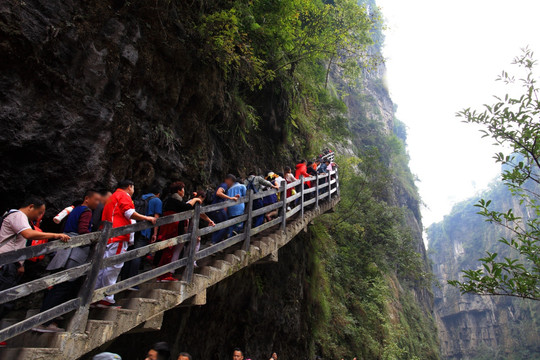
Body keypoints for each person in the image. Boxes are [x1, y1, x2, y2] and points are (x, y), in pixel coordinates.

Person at [34, 190, 102, 332]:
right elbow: (83, 230)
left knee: (55, 286)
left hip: (63, 250)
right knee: (63, 286)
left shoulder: (74, 210)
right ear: (87, 199)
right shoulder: (86, 211)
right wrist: (96, 237)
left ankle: (45, 319)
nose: (97, 203)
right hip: (73, 252)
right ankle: (47, 322)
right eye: (95, 199)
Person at [0, 197, 70, 319]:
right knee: (3, 300)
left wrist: (20, 265)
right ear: (31, 206)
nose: (38, 217)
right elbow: (28, 234)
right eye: (39, 213)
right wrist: (55, 235)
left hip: (10, 263)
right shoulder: (18, 215)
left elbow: (18, 243)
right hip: (5, 264)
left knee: (6, 300)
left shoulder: (15, 216)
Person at [94, 180, 157, 308]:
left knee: (103, 266)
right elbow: (129, 213)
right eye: (133, 188)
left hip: (109, 236)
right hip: (118, 236)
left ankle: (96, 296)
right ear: (130, 187)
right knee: (113, 266)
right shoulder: (124, 196)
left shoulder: (112, 197)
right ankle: (107, 297)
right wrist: (147, 218)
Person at [156, 182, 214, 282]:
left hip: (170, 227)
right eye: (183, 189)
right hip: (171, 227)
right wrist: (195, 199)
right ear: (179, 191)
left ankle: (165, 275)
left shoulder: (171, 200)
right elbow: (186, 207)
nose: (184, 191)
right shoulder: (173, 200)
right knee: (168, 251)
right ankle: (164, 275)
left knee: (169, 251)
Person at [121, 185, 162, 284]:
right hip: (145, 231)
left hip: (134, 229)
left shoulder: (141, 197)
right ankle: (132, 282)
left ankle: (123, 279)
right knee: (138, 254)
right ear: (158, 194)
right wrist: (155, 234)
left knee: (129, 254)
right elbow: (156, 219)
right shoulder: (157, 201)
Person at [209, 174, 240, 244]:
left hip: (214, 209)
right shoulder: (224, 185)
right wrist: (231, 198)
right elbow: (218, 193)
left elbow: (222, 197)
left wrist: (232, 197)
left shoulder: (224, 187)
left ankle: (214, 241)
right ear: (228, 180)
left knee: (217, 226)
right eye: (231, 182)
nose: (231, 185)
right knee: (225, 225)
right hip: (218, 209)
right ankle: (214, 242)